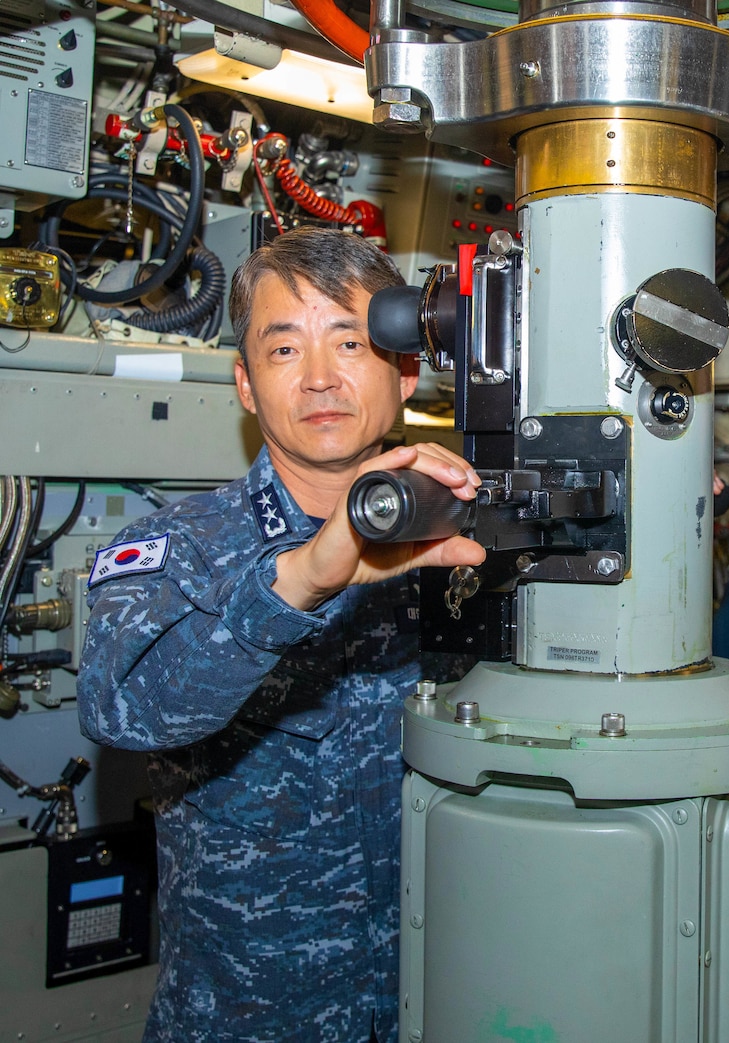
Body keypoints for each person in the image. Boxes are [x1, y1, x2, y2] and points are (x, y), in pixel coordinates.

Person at [77, 228, 486, 1042]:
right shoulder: (182, 549)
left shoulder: (459, 542)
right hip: (253, 1017)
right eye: (284, 348)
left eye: (350, 341)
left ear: (405, 371)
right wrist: (300, 579)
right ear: (244, 382)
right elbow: (120, 707)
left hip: (442, 1000)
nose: (322, 377)